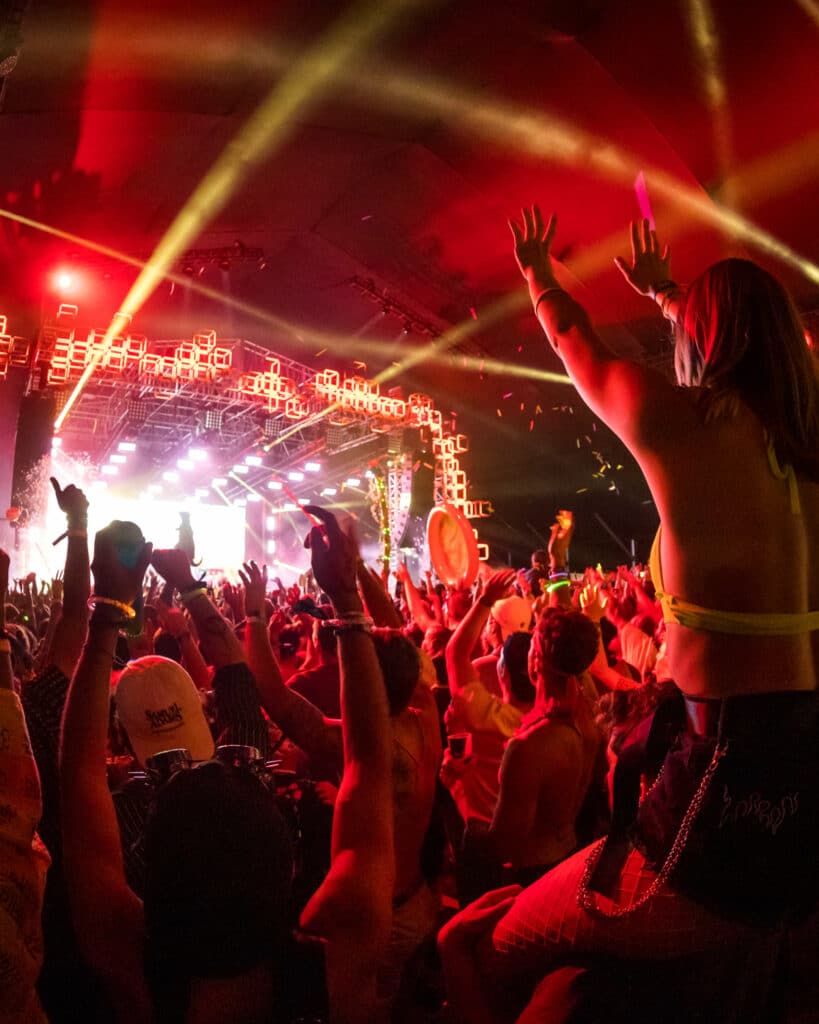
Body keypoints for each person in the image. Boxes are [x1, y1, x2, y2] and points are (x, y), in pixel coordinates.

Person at [441, 210, 819, 1016]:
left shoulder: (684, 425)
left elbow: (574, 340)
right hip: (798, 792)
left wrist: (539, 270)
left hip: (717, 803)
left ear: (707, 344)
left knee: (475, 944)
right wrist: (672, 298)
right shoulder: (807, 463)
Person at [59, 509, 396, 1024]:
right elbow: (372, 763)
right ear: (288, 868)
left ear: (153, 881)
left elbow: (79, 776)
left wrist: (106, 610)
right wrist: (348, 600)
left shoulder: (136, 974)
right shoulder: (333, 975)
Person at [488, 609, 602, 888]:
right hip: (571, 855)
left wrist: (461, 793)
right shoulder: (587, 720)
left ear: (536, 659)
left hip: (532, 875)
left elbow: (503, 844)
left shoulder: (529, 747)